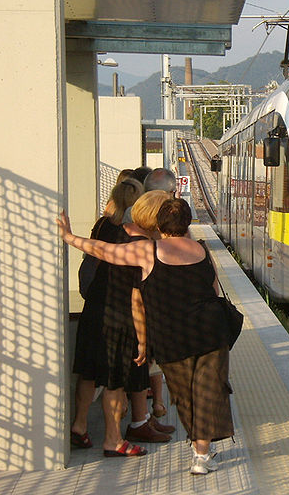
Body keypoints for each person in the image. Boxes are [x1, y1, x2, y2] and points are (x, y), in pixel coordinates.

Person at [58, 198, 233, 475]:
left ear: (158, 224)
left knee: (185, 394)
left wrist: (70, 238)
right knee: (209, 391)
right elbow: (214, 291)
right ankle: (201, 454)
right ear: (187, 223)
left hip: (171, 337)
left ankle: (199, 448)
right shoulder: (201, 249)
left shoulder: (147, 250)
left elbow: (105, 251)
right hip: (210, 331)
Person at [70, 179, 145, 456]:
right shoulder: (134, 234)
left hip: (95, 301)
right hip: (119, 306)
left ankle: (79, 426)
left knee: (88, 369)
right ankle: (113, 440)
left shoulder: (102, 225)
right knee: (115, 375)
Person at [103, 190, 176, 448]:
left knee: (136, 373)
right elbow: (137, 292)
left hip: (127, 315)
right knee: (116, 379)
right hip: (122, 318)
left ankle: (140, 422)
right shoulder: (138, 244)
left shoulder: (133, 234)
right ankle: (113, 439)